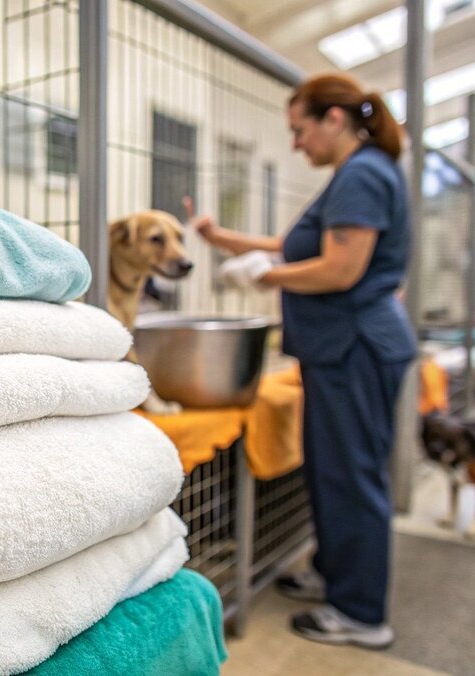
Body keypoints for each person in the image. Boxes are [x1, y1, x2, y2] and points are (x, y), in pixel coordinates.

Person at [193, 73, 416, 649]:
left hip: (355, 347)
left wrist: (262, 277)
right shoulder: (357, 172)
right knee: (331, 469)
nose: (296, 144)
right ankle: (337, 576)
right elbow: (292, 246)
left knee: (352, 475)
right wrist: (221, 240)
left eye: (299, 130)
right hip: (341, 349)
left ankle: (362, 612)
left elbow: (340, 268)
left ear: (333, 120)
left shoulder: (362, 174)